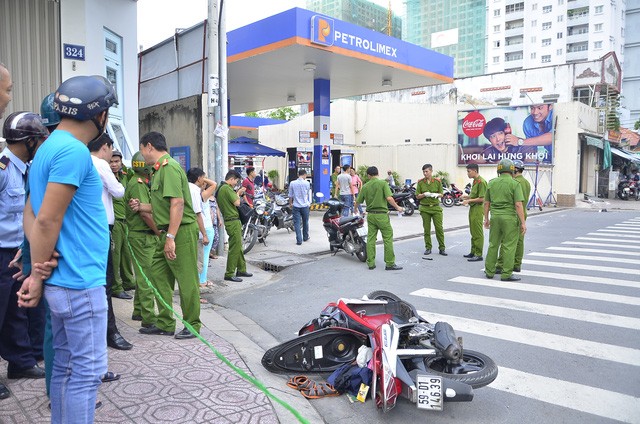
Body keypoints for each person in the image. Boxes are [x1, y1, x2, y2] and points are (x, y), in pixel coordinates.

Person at [19, 75, 117, 423]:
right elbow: (46, 220)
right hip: (79, 281)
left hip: (65, 281)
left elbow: (31, 211)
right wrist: (37, 271)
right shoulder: (74, 151)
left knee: (63, 366)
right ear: (100, 114)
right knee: (87, 374)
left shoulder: (46, 148)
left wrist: (38, 265)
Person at [129, 131, 201, 340]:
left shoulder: (169, 168)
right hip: (166, 232)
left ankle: (192, 324)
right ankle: (165, 322)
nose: (142, 155)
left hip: (180, 232)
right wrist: (141, 206)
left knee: (187, 280)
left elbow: (177, 204)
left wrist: (171, 237)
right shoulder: (158, 170)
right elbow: (164, 205)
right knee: (157, 274)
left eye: (142, 150)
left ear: (149, 146)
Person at [0, 112, 49, 400]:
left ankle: (20, 362)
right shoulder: (3, 168)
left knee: (16, 309)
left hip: (17, 250)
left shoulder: (26, 169)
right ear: (29, 141)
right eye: (39, 139)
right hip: (0, 250)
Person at [88, 133, 133, 351]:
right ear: (105, 146)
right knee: (105, 282)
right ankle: (109, 332)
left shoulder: (82, 160)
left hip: (88, 229)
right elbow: (119, 191)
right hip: (101, 228)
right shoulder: (99, 164)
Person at [125, 152, 160, 330]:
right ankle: (149, 318)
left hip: (140, 235)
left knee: (142, 274)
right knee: (148, 278)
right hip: (143, 235)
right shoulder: (138, 184)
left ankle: (139, 310)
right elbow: (145, 213)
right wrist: (159, 232)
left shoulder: (139, 181)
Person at [483, 158, 527, 282]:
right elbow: (518, 205)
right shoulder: (515, 184)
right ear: (512, 170)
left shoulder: (491, 183)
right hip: (509, 219)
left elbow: (486, 203)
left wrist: (486, 218)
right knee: (509, 246)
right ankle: (506, 274)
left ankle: (489, 271)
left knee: (493, 244)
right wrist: (523, 223)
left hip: (495, 217)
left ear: (499, 170)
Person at [355, 166, 404, 271]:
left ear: (368, 175)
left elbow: (358, 201)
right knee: (387, 238)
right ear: (378, 173)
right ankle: (390, 263)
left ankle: (371, 263)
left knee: (371, 239)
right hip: (382, 215)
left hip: (371, 216)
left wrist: (356, 210)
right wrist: (398, 207)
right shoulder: (383, 184)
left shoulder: (365, 186)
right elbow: (389, 198)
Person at [217, 170, 253, 282]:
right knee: (234, 248)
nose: (236, 184)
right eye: (236, 181)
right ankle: (229, 273)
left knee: (238, 246)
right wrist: (238, 193)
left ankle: (241, 269)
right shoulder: (226, 188)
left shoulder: (221, 188)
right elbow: (237, 202)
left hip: (231, 221)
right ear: (231, 179)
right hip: (232, 221)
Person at [495, 160, 531, 273]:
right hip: (522, 214)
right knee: (519, 241)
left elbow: (516, 202)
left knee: (506, 242)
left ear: (514, 169)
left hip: (513, 214)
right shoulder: (526, 182)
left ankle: (501, 265)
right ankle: (517, 264)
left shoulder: (515, 182)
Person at [110, 150, 135, 295]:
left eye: (116, 161)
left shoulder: (125, 176)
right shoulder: (106, 177)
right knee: (115, 256)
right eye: (111, 162)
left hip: (126, 221)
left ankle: (128, 282)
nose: (114, 165)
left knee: (127, 254)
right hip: (115, 222)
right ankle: (116, 287)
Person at [187, 167, 217, 290]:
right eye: (203, 178)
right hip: (204, 228)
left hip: (198, 228)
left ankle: (201, 280)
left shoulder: (189, 190)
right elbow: (214, 184)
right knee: (202, 257)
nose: (204, 182)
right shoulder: (199, 193)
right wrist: (203, 179)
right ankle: (202, 280)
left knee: (199, 256)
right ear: (199, 178)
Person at [415, 164, 446, 256]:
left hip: (436, 208)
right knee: (426, 229)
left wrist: (436, 195)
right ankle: (428, 247)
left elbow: (441, 194)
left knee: (439, 228)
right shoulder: (420, 182)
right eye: (423, 172)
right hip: (425, 208)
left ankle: (442, 248)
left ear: (431, 171)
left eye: (426, 171)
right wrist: (424, 194)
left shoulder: (437, 181)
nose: (425, 173)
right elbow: (417, 196)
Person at [461, 164, 487, 262]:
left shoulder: (481, 182)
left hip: (478, 209)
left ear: (475, 171)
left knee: (477, 232)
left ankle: (478, 254)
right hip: (473, 208)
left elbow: (482, 198)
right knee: (473, 231)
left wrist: (468, 201)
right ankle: (473, 251)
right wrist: (466, 197)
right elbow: (474, 196)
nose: (467, 173)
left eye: (469, 171)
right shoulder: (475, 181)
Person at [288, 169, 311, 245]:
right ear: (304, 175)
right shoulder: (307, 183)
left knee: (297, 223)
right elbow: (307, 193)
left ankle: (299, 240)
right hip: (305, 205)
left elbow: (290, 195)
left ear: (298, 175)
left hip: (296, 206)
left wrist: (290, 203)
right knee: (305, 222)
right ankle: (305, 237)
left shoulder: (292, 183)